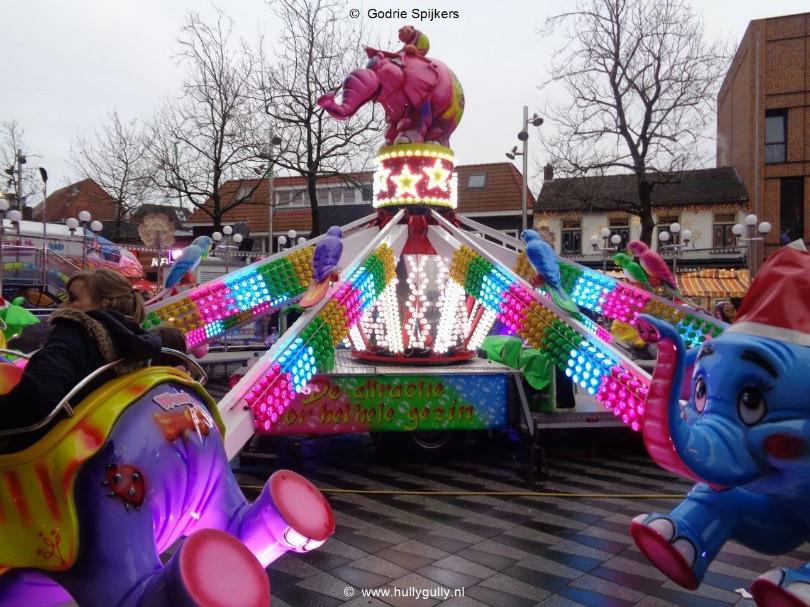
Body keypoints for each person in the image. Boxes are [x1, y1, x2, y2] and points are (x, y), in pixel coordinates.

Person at [0, 269, 161, 443]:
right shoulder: (138, 345)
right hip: (107, 441)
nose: (63, 305)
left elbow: (37, 397)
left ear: (104, 304)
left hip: (51, 445)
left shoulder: (73, 334)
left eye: (73, 298)